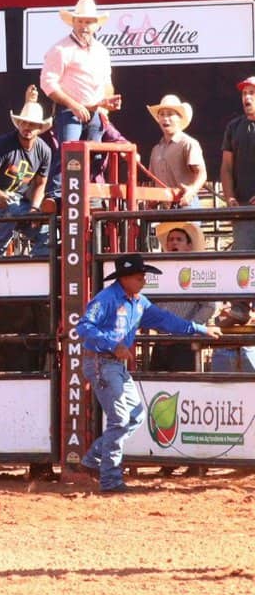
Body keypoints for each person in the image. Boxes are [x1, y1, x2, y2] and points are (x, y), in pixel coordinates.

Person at [75, 255, 221, 493]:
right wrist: (113, 344)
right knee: (122, 418)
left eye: (143, 276)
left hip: (112, 365)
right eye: (139, 276)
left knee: (134, 416)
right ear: (124, 278)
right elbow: (83, 326)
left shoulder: (139, 302)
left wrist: (200, 328)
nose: (143, 280)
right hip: (102, 362)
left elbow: (166, 320)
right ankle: (110, 479)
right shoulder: (107, 299)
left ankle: (93, 460)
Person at [39, 0, 120, 194]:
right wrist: (74, 104)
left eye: (88, 21)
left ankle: (89, 195)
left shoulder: (101, 50)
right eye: (81, 21)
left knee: (94, 156)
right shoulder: (60, 49)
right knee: (68, 154)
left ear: (95, 25)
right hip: (70, 110)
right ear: (73, 22)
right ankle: (57, 196)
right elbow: (47, 83)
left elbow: (106, 82)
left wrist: (106, 103)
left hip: (95, 111)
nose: (84, 26)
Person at [0, 93, 54, 257]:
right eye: (24, 122)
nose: (27, 127)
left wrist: (34, 208)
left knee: (46, 227)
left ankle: (39, 266)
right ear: (18, 123)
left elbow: (40, 183)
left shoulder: (44, 150)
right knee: (10, 210)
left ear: (40, 128)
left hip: (20, 202)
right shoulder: (4, 143)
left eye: (32, 124)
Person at [147, 220, 221, 373]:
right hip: (162, 340)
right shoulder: (160, 271)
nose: (173, 243)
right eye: (171, 240)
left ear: (189, 246)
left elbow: (209, 305)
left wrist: (186, 328)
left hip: (183, 343)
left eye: (178, 239)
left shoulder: (198, 271)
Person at [145, 94, 206, 207]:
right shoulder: (156, 150)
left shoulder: (188, 143)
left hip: (187, 205)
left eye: (169, 114)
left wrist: (191, 192)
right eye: (162, 114)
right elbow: (154, 180)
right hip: (164, 208)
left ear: (179, 118)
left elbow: (202, 173)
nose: (165, 118)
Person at [218, 75, 255, 253]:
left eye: (252, 93)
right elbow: (226, 166)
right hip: (244, 210)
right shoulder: (234, 127)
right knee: (244, 263)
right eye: (244, 94)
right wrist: (230, 197)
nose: (247, 98)